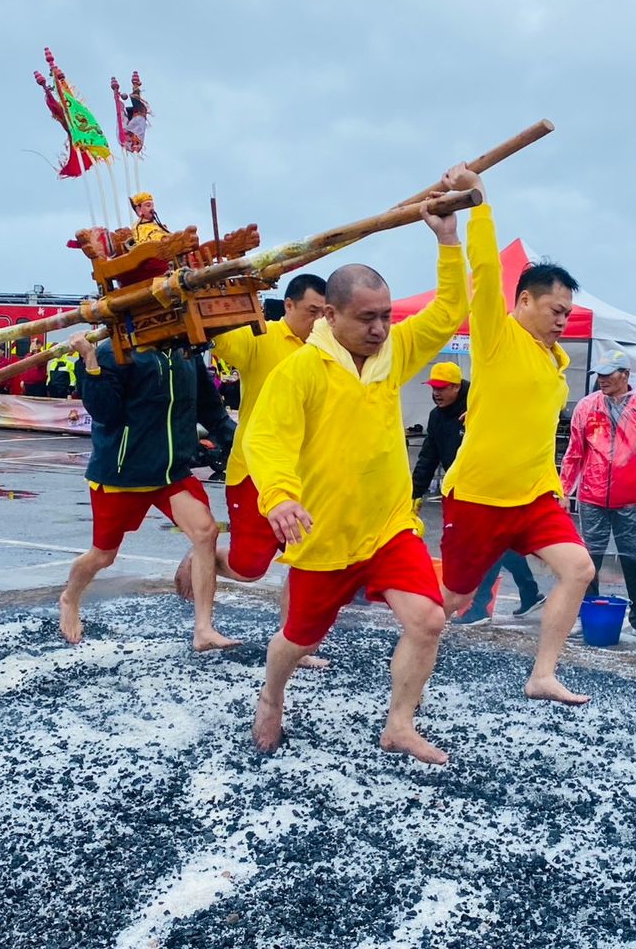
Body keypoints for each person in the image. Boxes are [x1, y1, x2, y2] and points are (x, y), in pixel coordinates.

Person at [243, 193, 470, 764]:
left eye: (385, 315)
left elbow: (447, 310)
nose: (379, 328)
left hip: (389, 523)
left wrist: (447, 238)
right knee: (299, 641)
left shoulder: (395, 349)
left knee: (428, 620)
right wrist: (280, 497)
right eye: (366, 318)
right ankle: (271, 697)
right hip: (325, 534)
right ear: (330, 317)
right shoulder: (301, 371)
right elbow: (266, 439)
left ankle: (399, 724)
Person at [437, 167, 595, 706]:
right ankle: (404, 631)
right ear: (523, 300)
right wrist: (479, 204)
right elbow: (483, 269)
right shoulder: (497, 335)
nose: (563, 321)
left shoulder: (555, 361)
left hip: (531, 496)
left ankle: (542, 674)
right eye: (556, 311)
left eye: (569, 314)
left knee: (579, 569)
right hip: (478, 496)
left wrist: (553, 483)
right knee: (452, 599)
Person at [60, 332, 236, 651]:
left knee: (205, 532)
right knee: (103, 556)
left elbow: (212, 411)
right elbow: (104, 413)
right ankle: (69, 597)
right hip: (122, 472)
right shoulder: (113, 353)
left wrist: (242, 446)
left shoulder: (185, 353)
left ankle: (203, 629)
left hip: (170, 473)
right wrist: (89, 361)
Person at [173, 273, 328, 602]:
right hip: (255, 470)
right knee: (249, 569)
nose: (317, 321)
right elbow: (223, 340)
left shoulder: (328, 349)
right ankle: (204, 556)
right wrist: (213, 300)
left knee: (310, 561)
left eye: (323, 313)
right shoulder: (262, 337)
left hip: (308, 473)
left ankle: (296, 644)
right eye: (311, 311)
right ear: (288, 305)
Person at [411, 360, 544, 625]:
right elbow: (429, 455)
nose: (436, 393)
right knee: (501, 545)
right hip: (461, 489)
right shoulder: (437, 416)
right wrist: (415, 493)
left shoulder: (481, 404)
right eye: (433, 388)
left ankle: (480, 607)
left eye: (442, 388)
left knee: (487, 543)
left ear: (457, 387)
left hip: (492, 485)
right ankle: (531, 594)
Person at [560, 348, 636, 643]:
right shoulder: (586, 408)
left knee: (635, 560)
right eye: (599, 374)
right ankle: (582, 615)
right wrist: (564, 491)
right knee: (587, 562)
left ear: (625, 375)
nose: (602, 379)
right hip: (592, 497)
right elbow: (574, 454)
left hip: (633, 498)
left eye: (608, 374)